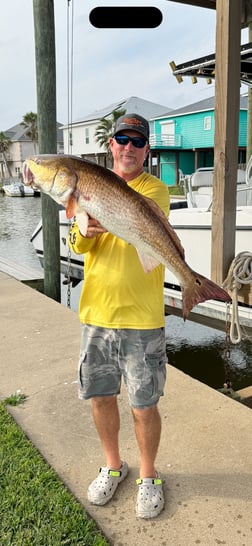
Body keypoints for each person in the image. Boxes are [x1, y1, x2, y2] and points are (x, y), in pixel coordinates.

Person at [68, 113, 170, 519]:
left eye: (137, 141)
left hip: (142, 318)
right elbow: (77, 245)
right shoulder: (84, 191)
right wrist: (83, 229)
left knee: (144, 404)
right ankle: (113, 465)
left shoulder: (155, 189)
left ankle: (149, 476)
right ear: (111, 145)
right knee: (101, 396)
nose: (128, 147)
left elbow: (140, 224)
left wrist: (98, 216)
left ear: (146, 150)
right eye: (121, 140)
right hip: (96, 314)